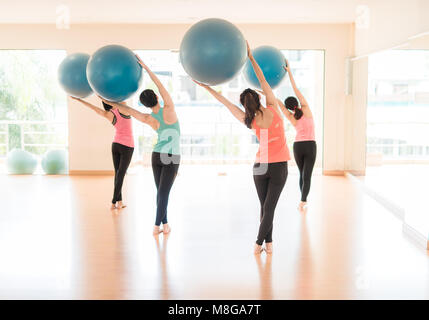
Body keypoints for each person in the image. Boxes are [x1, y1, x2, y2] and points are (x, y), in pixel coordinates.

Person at [194, 42, 290, 254]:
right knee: (269, 208)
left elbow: (226, 103)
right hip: (278, 167)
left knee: (265, 208)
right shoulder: (273, 108)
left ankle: (269, 243)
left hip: (259, 168)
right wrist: (251, 57)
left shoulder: (249, 119)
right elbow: (263, 79)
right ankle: (259, 243)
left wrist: (206, 87)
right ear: (259, 97)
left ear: (245, 105)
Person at [101, 55, 180, 235]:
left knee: (160, 192)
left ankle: (165, 224)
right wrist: (145, 66)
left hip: (157, 156)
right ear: (157, 97)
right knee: (163, 193)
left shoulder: (148, 118)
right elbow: (159, 84)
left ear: (144, 105)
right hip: (172, 157)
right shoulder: (169, 108)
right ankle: (155, 226)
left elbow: (127, 110)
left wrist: (107, 101)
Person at [71, 97, 134, 210]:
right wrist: (106, 98)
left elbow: (93, 108)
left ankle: (119, 202)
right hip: (127, 146)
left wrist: (80, 100)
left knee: (118, 174)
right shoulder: (123, 109)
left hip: (115, 145)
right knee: (120, 174)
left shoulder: (108, 114)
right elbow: (122, 98)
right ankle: (113, 201)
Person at [278, 59, 317, 211]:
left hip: (298, 146)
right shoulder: (306, 109)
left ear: (289, 107)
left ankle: (302, 199)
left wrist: (266, 92)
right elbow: (295, 89)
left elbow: (278, 104)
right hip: (310, 146)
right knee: (307, 175)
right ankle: (303, 200)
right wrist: (289, 72)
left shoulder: (291, 117)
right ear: (297, 103)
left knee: (302, 174)